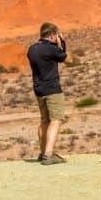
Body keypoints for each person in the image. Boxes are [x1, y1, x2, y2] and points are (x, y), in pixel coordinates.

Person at [27, 22, 69, 165]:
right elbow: (66, 59)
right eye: (56, 35)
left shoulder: (32, 49)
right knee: (56, 120)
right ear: (52, 35)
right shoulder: (51, 49)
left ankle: (43, 152)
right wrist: (62, 43)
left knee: (44, 120)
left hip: (39, 90)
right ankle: (49, 154)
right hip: (52, 89)